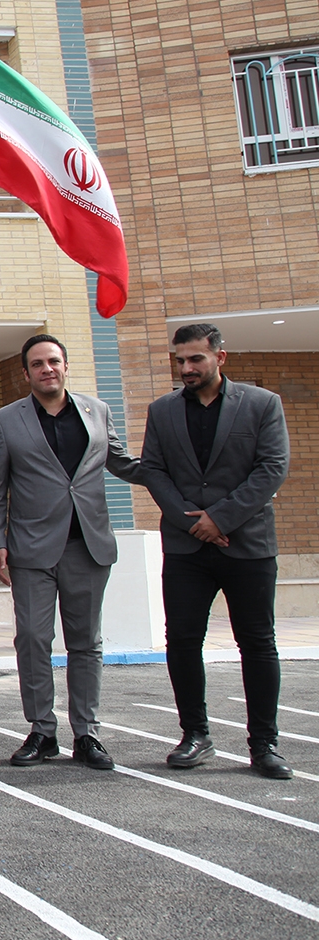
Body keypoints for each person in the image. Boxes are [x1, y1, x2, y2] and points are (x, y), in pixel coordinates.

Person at [139, 323, 292, 779]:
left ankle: (264, 744)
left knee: (258, 643)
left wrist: (220, 519)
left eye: (196, 359)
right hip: (186, 548)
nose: (186, 368)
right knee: (183, 641)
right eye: (180, 360)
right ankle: (195, 735)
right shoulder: (162, 410)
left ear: (219, 357)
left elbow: (272, 468)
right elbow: (154, 470)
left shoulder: (262, 404)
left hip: (248, 545)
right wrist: (194, 522)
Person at [0, 335, 143, 771]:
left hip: (87, 546)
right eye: (37, 364)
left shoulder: (97, 411)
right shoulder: (6, 420)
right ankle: (42, 731)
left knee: (86, 643)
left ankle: (87, 733)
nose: (47, 369)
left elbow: (121, 461)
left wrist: (172, 473)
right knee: (33, 639)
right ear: (26, 373)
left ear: (66, 366)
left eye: (53, 361)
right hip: (31, 550)